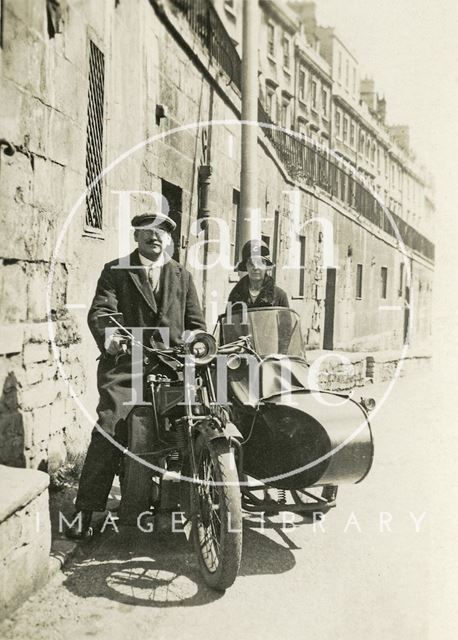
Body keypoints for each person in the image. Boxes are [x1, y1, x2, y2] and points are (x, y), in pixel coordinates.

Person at [66, 211, 206, 538]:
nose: (154, 236)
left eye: (161, 231)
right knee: (110, 426)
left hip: (171, 368)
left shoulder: (181, 275)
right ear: (136, 236)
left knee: (195, 425)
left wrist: (191, 338)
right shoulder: (116, 271)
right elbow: (102, 311)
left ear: (168, 239)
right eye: (147, 230)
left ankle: (204, 502)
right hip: (127, 367)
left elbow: (196, 324)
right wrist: (110, 336)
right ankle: (86, 510)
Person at [227, 239, 289, 311]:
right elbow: (229, 320)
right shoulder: (236, 295)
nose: (255, 267)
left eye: (259, 262)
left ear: (265, 265)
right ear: (246, 266)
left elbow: (286, 322)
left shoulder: (279, 296)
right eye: (251, 263)